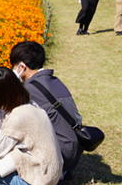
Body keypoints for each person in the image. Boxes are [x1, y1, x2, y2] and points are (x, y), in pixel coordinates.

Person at [9, 41, 85, 177]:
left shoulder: (30, 89)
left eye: (13, 67)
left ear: (22, 66)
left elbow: (11, 122)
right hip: (75, 151)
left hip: (60, 156)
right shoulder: (55, 81)